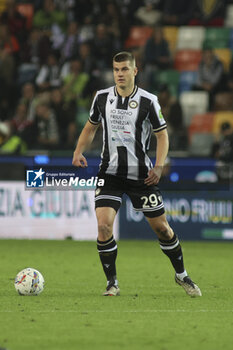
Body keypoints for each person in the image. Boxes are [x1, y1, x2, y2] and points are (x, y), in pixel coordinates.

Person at [72, 51, 202, 297]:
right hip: (108, 173)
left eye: (124, 69)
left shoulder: (148, 100)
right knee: (103, 227)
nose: (119, 74)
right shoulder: (101, 98)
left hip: (142, 176)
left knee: (163, 229)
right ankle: (112, 283)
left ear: (135, 71)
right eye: (116, 70)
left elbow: (162, 135)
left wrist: (159, 165)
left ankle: (182, 275)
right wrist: (79, 150)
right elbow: (90, 127)